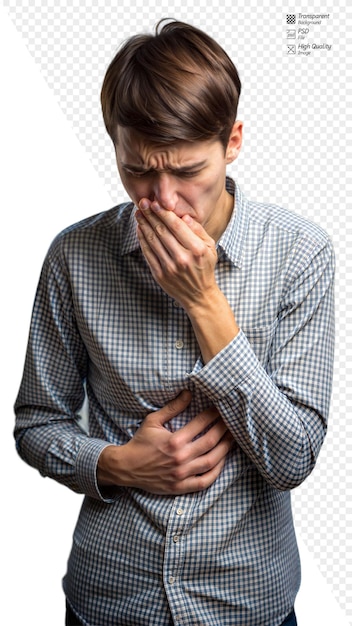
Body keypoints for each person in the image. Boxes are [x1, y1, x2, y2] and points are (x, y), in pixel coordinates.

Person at [14, 19, 335, 626]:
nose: (162, 199)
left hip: (245, 601)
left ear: (232, 140)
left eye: (188, 172)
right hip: (112, 595)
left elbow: (294, 458)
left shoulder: (300, 254)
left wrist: (205, 301)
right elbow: (36, 422)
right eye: (138, 170)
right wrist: (115, 463)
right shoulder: (74, 255)